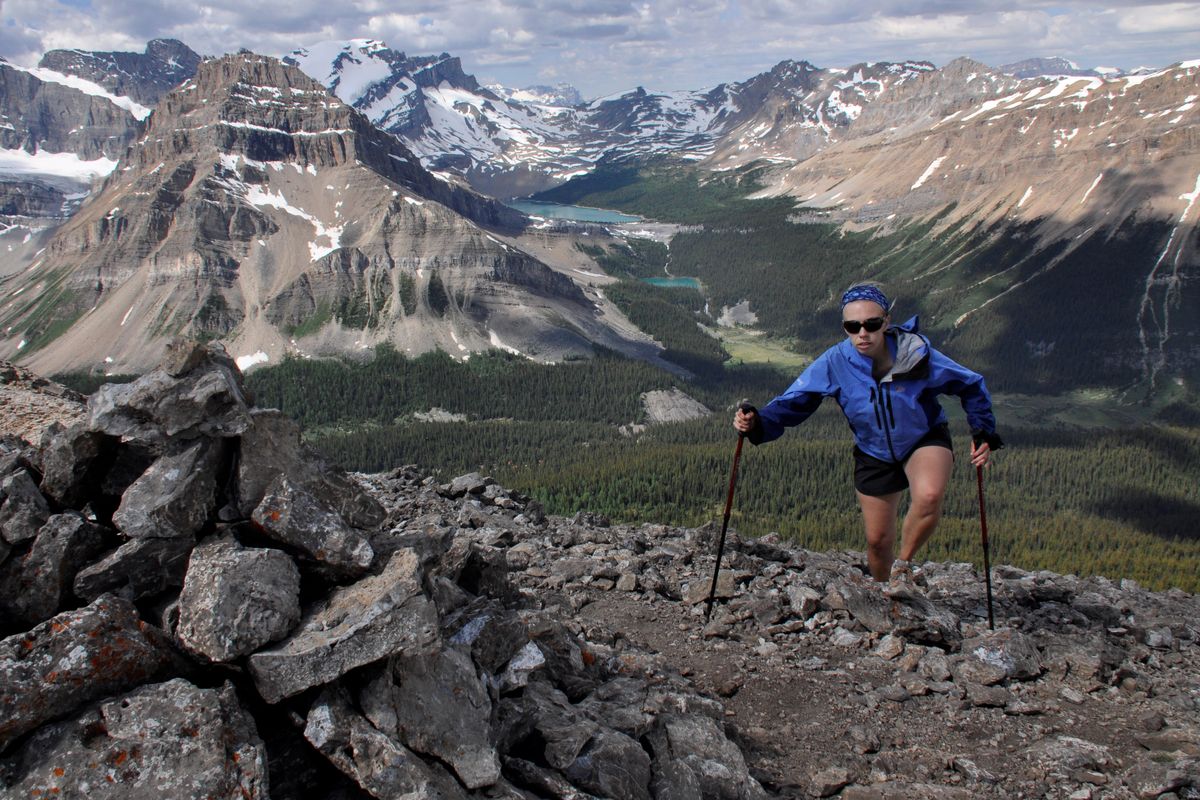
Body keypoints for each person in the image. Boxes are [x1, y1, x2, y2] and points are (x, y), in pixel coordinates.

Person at [733, 283, 1003, 592]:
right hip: (873, 452)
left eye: (871, 324)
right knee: (877, 543)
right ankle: (883, 594)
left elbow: (969, 384)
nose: (863, 332)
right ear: (844, 327)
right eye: (853, 326)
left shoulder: (914, 352)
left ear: (886, 321)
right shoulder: (835, 361)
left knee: (928, 495)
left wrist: (983, 429)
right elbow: (795, 402)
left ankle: (902, 567)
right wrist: (756, 422)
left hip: (923, 437)